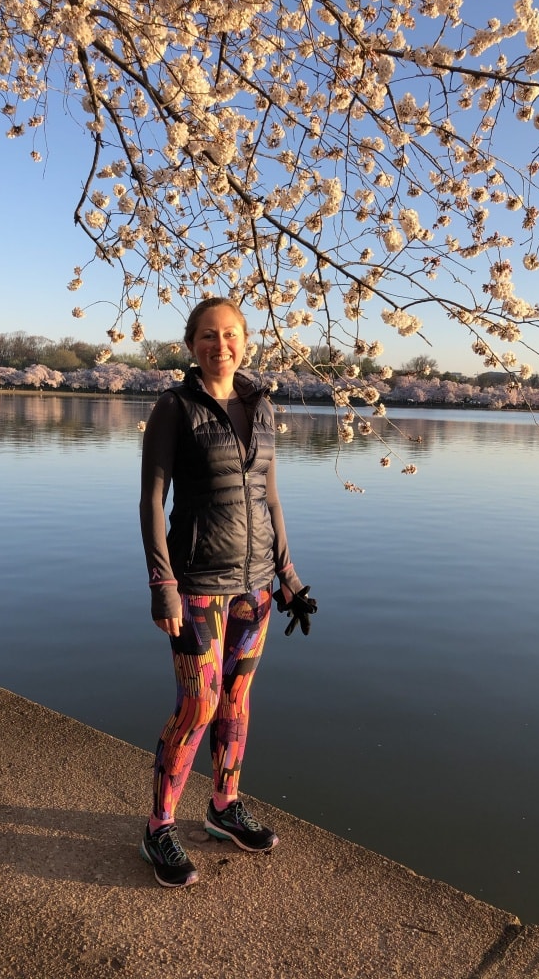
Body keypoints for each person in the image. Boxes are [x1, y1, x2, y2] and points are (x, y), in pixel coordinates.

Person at [138, 297, 316, 888]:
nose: (222, 345)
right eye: (209, 335)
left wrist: (288, 576)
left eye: (231, 334)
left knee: (236, 699)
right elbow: (152, 502)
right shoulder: (175, 407)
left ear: (246, 341)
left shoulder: (260, 407)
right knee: (198, 704)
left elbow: (270, 496)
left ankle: (223, 806)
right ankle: (159, 826)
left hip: (255, 588)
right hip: (197, 585)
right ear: (192, 345)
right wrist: (162, 583)